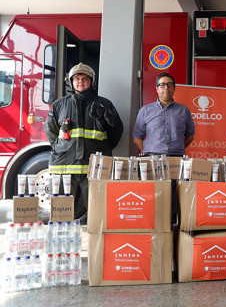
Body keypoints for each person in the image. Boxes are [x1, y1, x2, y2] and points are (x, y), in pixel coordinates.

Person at [44, 63, 123, 223]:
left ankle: (94, 245)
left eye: (85, 78)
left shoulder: (104, 104)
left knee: (98, 213)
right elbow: (51, 131)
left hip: (94, 167)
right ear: (71, 82)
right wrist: (64, 148)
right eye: (77, 78)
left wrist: (103, 148)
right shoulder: (60, 104)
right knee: (62, 212)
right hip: (64, 166)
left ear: (92, 81)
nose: (81, 81)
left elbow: (116, 132)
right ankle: (62, 243)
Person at [133, 72, 195, 156]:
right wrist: (148, 150)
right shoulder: (145, 110)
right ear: (157, 88)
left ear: (174, 88)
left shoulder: (184, 110)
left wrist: (177, 149)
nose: (166, 88)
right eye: (162, 85)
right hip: (152, 158)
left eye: (169, 85)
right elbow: (137, 137)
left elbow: (190, 136)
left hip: (177, 158)